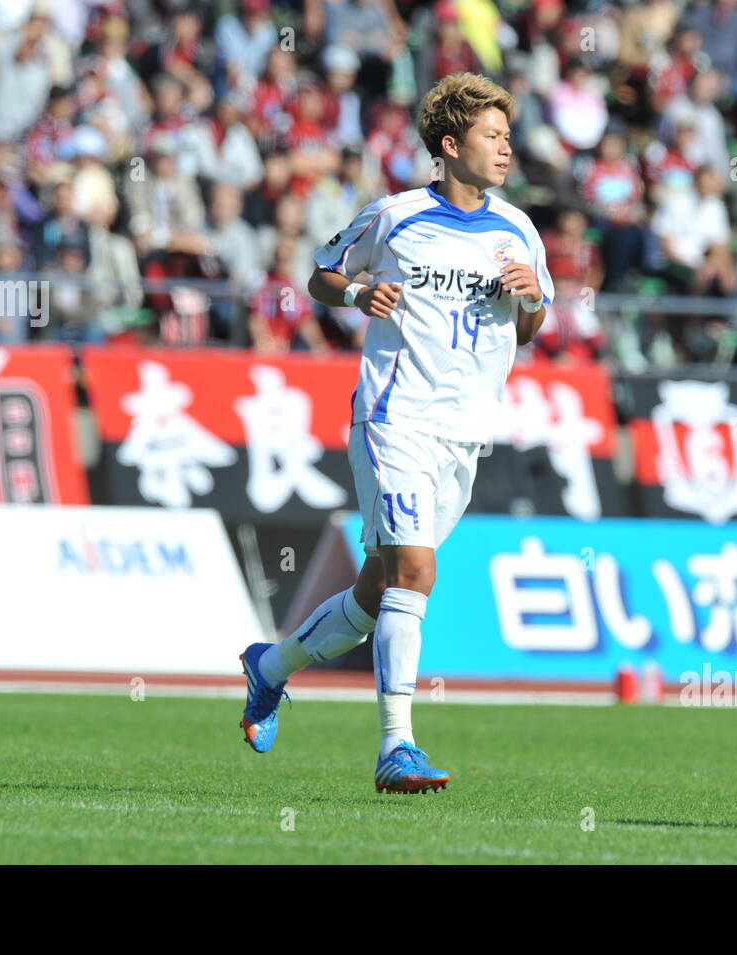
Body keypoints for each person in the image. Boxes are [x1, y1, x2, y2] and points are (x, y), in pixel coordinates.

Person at [237, 72, 554, 795]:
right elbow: (321, 273)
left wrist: (530, 296)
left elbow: (533, 329)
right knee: (416, 573)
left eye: (508, 135)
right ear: (451, 145)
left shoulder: (518, 229)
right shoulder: (396, 215)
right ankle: (397, 746)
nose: (506, 148)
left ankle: (269, 668)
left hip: (466, 430)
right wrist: (355, 292)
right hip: (394, 416)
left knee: (380, 589)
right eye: (491, 135)